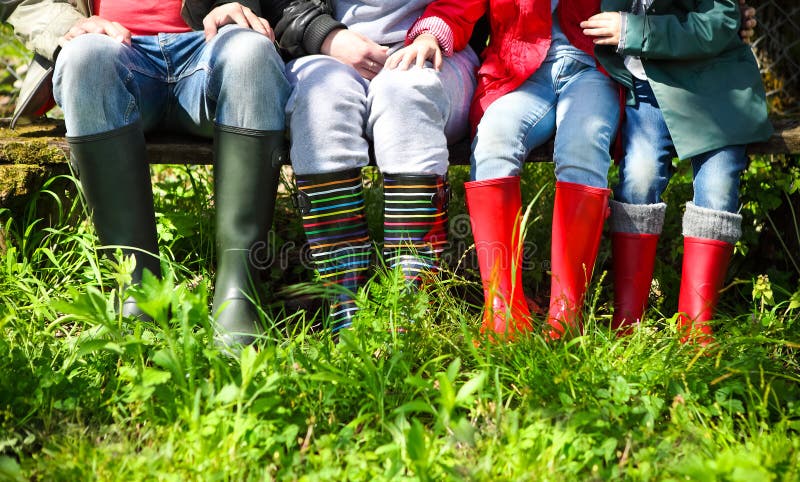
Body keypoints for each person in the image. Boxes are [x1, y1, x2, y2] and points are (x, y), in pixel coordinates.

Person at [392, 0, 761, 341]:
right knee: (493, 139)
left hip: (594, 68)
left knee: (584, 146)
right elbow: (459, 7)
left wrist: (731, 16)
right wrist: (431, 33)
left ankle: (566, 311)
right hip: (520, 70)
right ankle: (502, 310)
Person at [3, 0, 291, 347]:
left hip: (212, 47)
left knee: (253, 53)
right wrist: (66, 24)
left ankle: (239, 294)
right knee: (84, 59)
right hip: (111, 52)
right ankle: (137, 292)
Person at [267, 0, 479, 334]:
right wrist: (323, 34)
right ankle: (344, 301)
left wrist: (432, 33)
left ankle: (410, 302)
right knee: (321, 101)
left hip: (438, 50)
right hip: (324, 50)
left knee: (408, 92)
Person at [582, 0, 772, 343]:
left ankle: (695, 326)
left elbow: (720, 20)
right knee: (639, 174)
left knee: (717, 184)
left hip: (714, 87)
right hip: (646, 87)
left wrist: (633, 30)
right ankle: (628, 319)